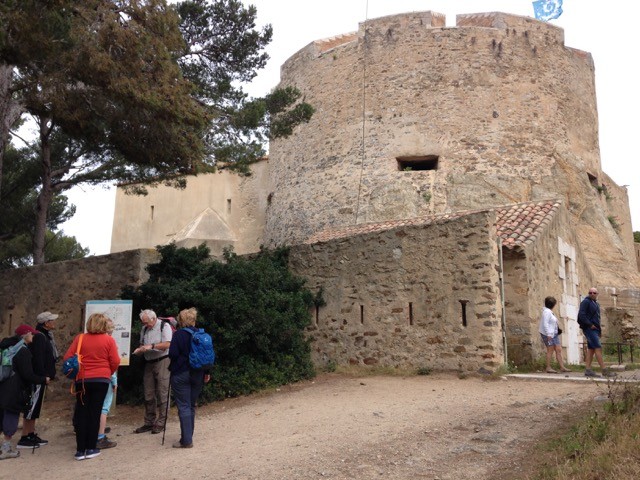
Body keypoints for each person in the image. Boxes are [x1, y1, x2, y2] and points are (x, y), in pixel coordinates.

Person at [63, 313, 120, 460]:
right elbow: (115, 360)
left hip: (82, 379)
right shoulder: (109, 340)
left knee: (82, 412)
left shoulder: (80, 338)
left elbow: (67, 357)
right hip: (101, 379)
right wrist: (108, 372)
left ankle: (80, 450)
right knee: (95, 413)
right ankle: (91, 447)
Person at [0, 325, 50, 460]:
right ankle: (6, 448)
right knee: (11, 416)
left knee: (2, 415)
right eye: (32, 334)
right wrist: (42, 379)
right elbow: (27, 374)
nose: (33, 336)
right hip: (13, 388)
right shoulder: (23, 351)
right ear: (26, 335)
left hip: (2, 384)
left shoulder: (5, 347)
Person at [168, 308, 211, 448]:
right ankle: (188, 435)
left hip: (181, 373)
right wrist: (207, 373)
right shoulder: (201, 334)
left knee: (184, 406)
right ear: (194, 319)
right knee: (191, 405)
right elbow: (207, 355)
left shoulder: (179, 335)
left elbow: (172, 354)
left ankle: (186, 440)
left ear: (181, 320)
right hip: (198, 372)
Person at [16, 311, 59, 449]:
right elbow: (39, 358)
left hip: (40, 378)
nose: (54, 322)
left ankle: (31, 434)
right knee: (32, 407)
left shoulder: (44, 336)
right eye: (52, 320)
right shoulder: (40, 337)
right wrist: (43, 377)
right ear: (46, 323)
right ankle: (25, 436)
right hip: (39, 379)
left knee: (35, 407)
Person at [132, 309, 172, 434]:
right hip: (149, 362)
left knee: (163, 393)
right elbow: (142, 344)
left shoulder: (164, 326)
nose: (145, 325)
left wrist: (151, 346)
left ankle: (161, 422)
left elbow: (167, 344)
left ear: (153, 319)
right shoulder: (144, 329)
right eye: (143, 322)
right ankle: (149, 422)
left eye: (147, 322)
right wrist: (139, 350)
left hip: (163, 361)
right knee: (148, 393)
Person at [577, 288, 616, 378]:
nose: (592, 294)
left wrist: (599, 331)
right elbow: (581, 315)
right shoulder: (586, 302)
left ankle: (588, 370)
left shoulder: (595, 303)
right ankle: (604, 370)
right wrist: (590, 325)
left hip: (595, 329)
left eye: (594, 293)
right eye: (590, 292)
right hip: (589, 329)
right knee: (598, 348)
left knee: (591, 350)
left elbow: (597, 318)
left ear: (597, 294)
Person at [97, 319, 117, 449]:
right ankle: (100, 437)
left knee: (94, 407)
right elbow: (112, 363)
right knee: (104, 408)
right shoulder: (109, 341)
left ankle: (93, 433)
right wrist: (114, 380)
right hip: (106, 377)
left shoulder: (89, 339)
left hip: (90, 378)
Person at [538, 296, 571, 374]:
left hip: (554, 334)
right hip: (548, 334)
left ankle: (562, 367)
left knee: (558, 349)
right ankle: (548, 367)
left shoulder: (549, 312)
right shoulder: (547, 312)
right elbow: (545, 324)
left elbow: (552, 322)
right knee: (550, 350)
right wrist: (548, 334)